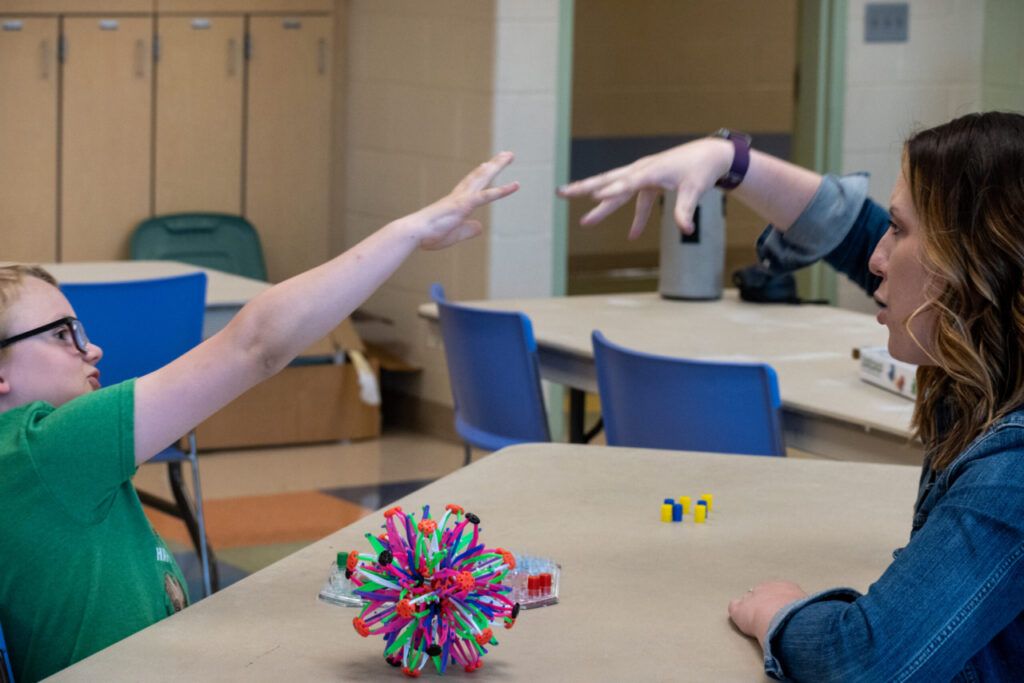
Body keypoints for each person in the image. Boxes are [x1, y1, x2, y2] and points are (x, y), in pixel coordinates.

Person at [0, 153, 518, 682]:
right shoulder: (43, 453)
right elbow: (257, 346)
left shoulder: (30, 463)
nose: (95, 350)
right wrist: (407, 232)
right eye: (64, 335)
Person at [559, 112, 1024, 681]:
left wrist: (779, 613)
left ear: (977, 265)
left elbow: (860, 663)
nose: (876, 257)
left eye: (899, 230)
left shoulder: (1011, 476)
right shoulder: (983, 366)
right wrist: (732, 163)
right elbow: (849, 229)